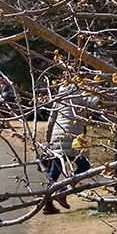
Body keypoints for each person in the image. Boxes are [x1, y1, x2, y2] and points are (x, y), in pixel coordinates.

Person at [40, 85, 91, 214]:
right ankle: (63, 190)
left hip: (56, 138)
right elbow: (93, 102)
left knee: (54, 173)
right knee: (85, 166)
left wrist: (48, 139)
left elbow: (51, 119)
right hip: (75, 138)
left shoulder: (59, 97)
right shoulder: (80, 92)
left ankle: (47, 204)